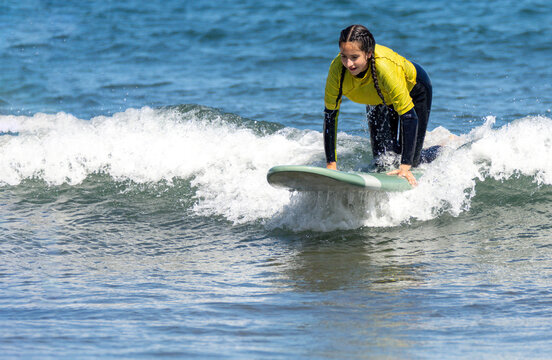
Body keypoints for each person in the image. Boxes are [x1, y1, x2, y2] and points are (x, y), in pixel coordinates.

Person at [323, 24, 433, 186]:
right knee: (383, 161)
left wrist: (405, 167)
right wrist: (331, 164)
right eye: (344, 56)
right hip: (378, 97)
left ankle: (440, 150)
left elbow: (409, 117)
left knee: (412, 162)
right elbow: (330, 116)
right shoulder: (337, 70)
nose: (348, 63)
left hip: (414, 90)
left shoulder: (384, 68)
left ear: (368, 54)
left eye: (354, 57)